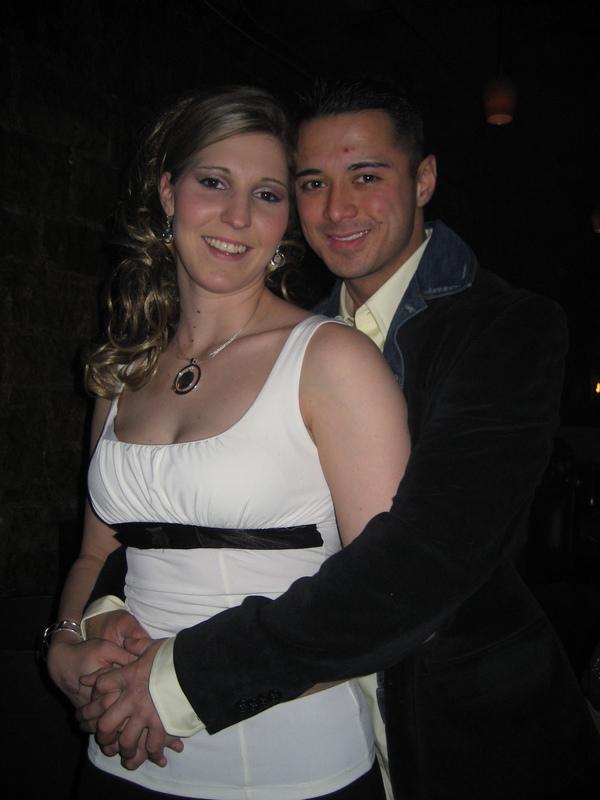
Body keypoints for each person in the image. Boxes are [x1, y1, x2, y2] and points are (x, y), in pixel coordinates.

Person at [73, 78, 600, 799]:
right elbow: (151, 526)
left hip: (452, 722)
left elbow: (427, 560)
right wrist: (84, 627)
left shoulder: (503, 329)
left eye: (367, 177)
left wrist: (179, 680)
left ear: (424, 180)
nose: (337, 208)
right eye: (313, 183)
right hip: (226, 718)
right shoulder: (285, 331)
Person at [44, 84, 412, 800]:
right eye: (213, 182)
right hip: (116, 756)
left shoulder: (331, 361)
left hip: (287, 770)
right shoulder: (124, 370)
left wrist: (177, 686)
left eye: (267, 195)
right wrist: (64, 640)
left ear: (285, 220)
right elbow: (97, 553)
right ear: (168, 192)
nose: (238, 217)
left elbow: (388, 598)